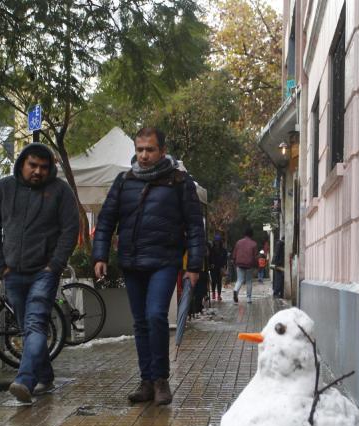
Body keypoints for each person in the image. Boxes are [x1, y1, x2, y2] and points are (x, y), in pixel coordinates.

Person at [92, 127, 205, 406]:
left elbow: (194, 226)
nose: (143, 155)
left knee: (156, 316)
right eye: (139, 149)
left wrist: (194, 264)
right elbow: (106, 221)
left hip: (165, 261)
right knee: (140, 322)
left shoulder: (179, 182)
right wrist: (100, 256)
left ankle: (161, 380)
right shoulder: (124, 181)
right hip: (131, 261)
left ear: (162, 151)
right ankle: (145, 381)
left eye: (150, 149)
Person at [0, 143, 79, 404]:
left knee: (35, 324)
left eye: (43, 167)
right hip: (12, 272)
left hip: (43, 272)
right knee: (29, 324)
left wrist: (55, 264)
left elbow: (71, 228)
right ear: (22, 163)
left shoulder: (60, 191)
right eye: (32, 165)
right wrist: (0, 265)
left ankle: (25, 380)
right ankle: (45, 376)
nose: (37, 171)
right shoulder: (4, 188)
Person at [232, 228, 257, 303]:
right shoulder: (254, 244)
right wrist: (256, 265)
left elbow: (234, 254)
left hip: (239, 264)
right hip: (249, 265)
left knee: (239, 280)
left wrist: (234, 261)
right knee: (249, 281)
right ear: (251, 234)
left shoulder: (238, 242)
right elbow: (255, 256)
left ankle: (236, 290)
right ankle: (248, 298)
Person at [208, 234, 228, 301]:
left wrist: (224, 266)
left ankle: (219, 295)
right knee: (214, 281)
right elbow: (209, 258)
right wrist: (211, 264)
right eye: (216, 241)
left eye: (218, 241)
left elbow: (225, 259)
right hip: (213, 268)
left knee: (219, 281)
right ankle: (213, 292)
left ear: (220, 242)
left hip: (220, 268)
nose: (217, 242)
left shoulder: (223, 250)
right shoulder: (211, 249)